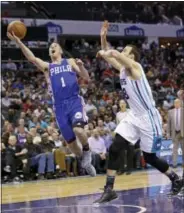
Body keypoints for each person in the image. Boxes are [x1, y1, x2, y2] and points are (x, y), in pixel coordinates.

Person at [94, 21, 183, 203]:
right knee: (115, 146)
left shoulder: (136, 68)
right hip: (134, 115)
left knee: (149, 157)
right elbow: (110, 57)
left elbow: (113, 54)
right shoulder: (122, 70)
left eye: (126, 51)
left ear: (132, 57)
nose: (122, 52)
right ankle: (109, 188)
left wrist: (109, 51)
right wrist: (103, 39)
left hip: (149, 117)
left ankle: (176, 179)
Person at [7, 32, 96, 177]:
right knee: (71, 144)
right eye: (50, 47)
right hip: (59, 107)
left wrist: (82, 66)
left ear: (60, 50)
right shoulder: (48, 67)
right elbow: (31, 58)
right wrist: (18, 41)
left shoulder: (70, 61)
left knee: (79, 130)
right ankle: (84, 161)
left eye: (55, 46)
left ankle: (87, 151)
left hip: (73, 101)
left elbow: (85, 77)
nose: (52, 47)